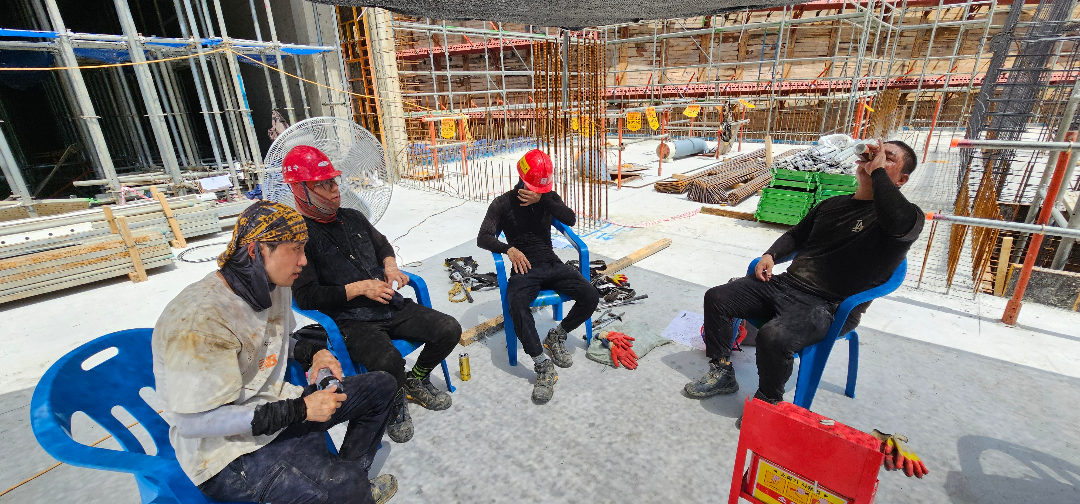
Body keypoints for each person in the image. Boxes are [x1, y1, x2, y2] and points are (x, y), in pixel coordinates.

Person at [152, 201, 398, 504]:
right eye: (295, 250)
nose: (304, 261)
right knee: (345, 488)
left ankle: (351, 479)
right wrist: (300, 410)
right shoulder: (199, 321)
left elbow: (275, 340)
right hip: (226, 453)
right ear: (256, 251)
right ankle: (349, 489)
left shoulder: (274, 282)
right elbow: (194, 424)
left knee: (382, 386)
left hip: (276, 404)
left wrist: (314, 352)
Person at [685, 140, 923, 421]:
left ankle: (768, 401)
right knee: (718, 297)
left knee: (774, 336)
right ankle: (722, 371)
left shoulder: (908, 218)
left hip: (830, 306)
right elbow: (797, 236)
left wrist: (879, 172)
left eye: (888, 158)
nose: (877, 159)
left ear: (901, 179)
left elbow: (896, 219)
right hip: (787, 285)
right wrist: (771, 254)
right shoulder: (831, 205)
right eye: (876, 155)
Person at [288, 145, 461, 444]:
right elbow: (306, 296)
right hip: (351, 321)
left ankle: (416, 380)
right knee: (387, 359)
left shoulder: (353, 217)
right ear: (301, 190)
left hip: (388, 305)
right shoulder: (298, 237)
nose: (334, 189)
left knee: (449, 329)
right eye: (323, 185)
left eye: (334, 181)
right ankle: (395, 401)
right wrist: (358, 288)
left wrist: (390, 266)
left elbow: (382, 246)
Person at [476, 149, 600, 404]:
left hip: (551, 263)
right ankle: (542, 364)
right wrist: (508, 249)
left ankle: (557, 335)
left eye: (540, 188)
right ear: (521, 178)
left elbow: (570, 219)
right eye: (533, 187)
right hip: (524, 268)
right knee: (517, 304)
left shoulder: (548, 197)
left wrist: (542, 200)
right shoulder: (503, 203)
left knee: (590, 295)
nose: (536, 191)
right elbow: (483, 237)